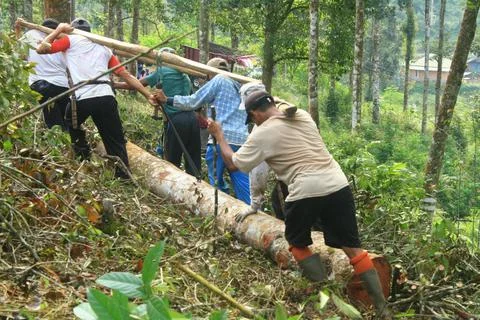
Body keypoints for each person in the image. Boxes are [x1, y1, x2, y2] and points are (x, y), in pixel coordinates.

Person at [206, 90, 392, 318]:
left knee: (297, 243)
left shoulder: (261, 134)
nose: (253, 123)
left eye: (252, 118)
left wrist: (219, 135)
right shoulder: (302, 115)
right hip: (338, 184)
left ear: (255, 113)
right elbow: (283, 109)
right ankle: (383, 309)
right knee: (353, 248)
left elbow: (234, 164)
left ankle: (326, 294)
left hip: (305, 189)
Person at [36, 19, 157, 179]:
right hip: (106, 96)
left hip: (83, 97)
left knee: (70, 122)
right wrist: (148, 95)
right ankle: (123, 176)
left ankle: (83, 157)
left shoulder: (69, 40)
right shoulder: (103, 47)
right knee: (115, 138)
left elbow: (41, 49)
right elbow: (125, 75)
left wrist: (57, 30)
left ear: (71, 30)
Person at [155, 57, 250, 204]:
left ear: (208, 74)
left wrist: (167, 99)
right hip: (242, 141)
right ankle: (249, 212)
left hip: (221, 140)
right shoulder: (241, 85)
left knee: (216, 186)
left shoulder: (218, 80)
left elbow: (193, 101)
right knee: (243, 184)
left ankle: (218, 213)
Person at [115, 47, 201, 176]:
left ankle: (175, 187)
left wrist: (114, 84)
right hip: (193, 119)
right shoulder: (185, 75)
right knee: (193, 159)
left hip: (176, 121)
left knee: (172, 161)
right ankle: (197, 187)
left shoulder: (161, 73)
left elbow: (133, 85)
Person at [21, 18, 69, 130]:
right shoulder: (64, 40)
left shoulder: (30, 36)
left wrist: (17, 28)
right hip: (62, 86)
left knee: (54, 124)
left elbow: (20, 55)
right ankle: (70, 144)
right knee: (66, 122)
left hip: (39, 86)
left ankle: (60, 144)